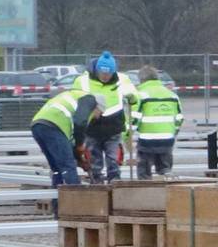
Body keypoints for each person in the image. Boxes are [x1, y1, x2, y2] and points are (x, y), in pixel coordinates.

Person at [29, 85, 106, 188]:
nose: (97, 117)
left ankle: (57, 201)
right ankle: (75, 200)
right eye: (99, 113)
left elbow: (69, 143)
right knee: (68, 166)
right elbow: (80, 123)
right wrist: (80, 145)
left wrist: (79, 158)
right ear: (98, 107)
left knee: (57, 168)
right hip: (54, 125)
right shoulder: (90, 99)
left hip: (38, 125)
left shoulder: (75, 98)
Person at [74, 52, 134, 183]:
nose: (105, 77)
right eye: (102, 73)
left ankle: (115, 181)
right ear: (97, 70)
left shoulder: (123, 79)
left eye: (108, 74)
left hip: (114, 126)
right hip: (92, 127)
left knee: (113, 159)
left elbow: (134, 98)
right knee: (94, 158)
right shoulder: (82, 81)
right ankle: (96, 182)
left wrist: (133, 98)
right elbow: (76, 100)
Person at [129, 67, 182, 179]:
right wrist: (173, 132)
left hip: (147, 141)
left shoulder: (141, 95)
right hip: (167, 140)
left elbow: (134, 120)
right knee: (165, 171)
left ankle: (145, 193)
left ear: (141, 80)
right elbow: (179, 118)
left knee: (144, 173)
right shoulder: (172, 95)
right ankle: (166, 191)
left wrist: (127, 135)